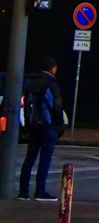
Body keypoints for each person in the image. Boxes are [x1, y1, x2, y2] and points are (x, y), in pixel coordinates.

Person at [19, 57, 65, 201]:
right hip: (49, 127)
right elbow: (57, 107)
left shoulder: (31, 84)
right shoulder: (52, 84)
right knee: (44, 160)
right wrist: (59, 125)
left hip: (33, 127)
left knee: (29, 159)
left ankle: (23, 192)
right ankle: (40, 191)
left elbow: (26, 108)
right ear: (52, 69)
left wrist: (27, 128)